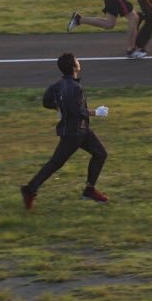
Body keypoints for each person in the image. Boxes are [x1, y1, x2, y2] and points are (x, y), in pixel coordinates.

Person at [19, 52, 109, 208]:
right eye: (77, 60)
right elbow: (77, 111)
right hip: (73, 133)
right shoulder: (74, 88)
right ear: (74, 67)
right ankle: (29, 189)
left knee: (100, 153)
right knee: (55, 164)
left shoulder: (58, 85)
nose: (79, 61)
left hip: (81, 130)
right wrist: (96, 112)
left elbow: (46, 101)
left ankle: (89, 189)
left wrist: (59, 107)